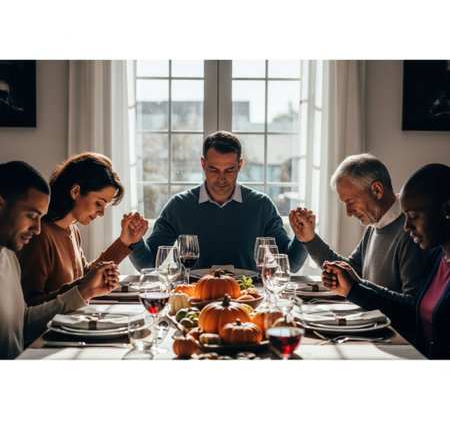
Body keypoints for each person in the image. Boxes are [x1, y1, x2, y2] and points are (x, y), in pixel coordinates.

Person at [128, 130, 307, 273]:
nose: (221, 179)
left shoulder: (261, 205)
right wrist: (135, 241)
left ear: (240, 165)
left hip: (248, 298)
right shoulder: (179, 205)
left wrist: (302, 237)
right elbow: (148, 263)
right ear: (203, 164)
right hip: (193, 297)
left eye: (229, 170)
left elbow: (290, 264)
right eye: (214, 169)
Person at [321, 163, 450, 359]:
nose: (406, 226)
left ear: (447, 209)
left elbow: (409, 314)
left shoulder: (421, 249)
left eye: (413, 216)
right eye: (405, 216)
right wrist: (356, 287)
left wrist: (356, 289)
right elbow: (412, 312)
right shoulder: (437, 259)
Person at [0, 161, 120, 359]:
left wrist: (84, 291)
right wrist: (81, 290)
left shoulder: (9, 256)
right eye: (31, 216)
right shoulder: (33, 241)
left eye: (41, 218)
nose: (37, 229)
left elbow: (24, 323)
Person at [289, 153, 428, 303]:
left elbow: (412, 305)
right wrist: (310, 239)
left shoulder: (411, 232)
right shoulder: (374, 226)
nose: (348, 212)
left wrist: (358, 287)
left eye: (351, 201)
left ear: (377, 190)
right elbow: (351, 271)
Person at [17, 152, 148, 305]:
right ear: (75, 191)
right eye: (99, 203)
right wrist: (84, 289)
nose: (101, 213)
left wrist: (125, 241)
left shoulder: (71, 230)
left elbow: (85, 276)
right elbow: (31, 305)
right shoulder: (40, 234)